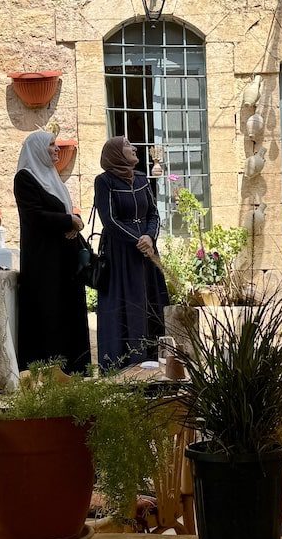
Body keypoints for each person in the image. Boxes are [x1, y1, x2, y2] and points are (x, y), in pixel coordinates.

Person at [13, 130, 90, 374]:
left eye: (56, 144)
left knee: (68, 312)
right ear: (37, 149)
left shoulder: (51, 176)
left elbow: (64, 213)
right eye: (51, 145)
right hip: (44, 261)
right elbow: (34, 216)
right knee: (48, 314)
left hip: (63, 259)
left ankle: (74, 370)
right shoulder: (25, 178)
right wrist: (69, 221)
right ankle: (47, 372)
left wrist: (73, 221)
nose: (57, 149)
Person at [94, 136, 168, 369]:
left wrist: (150, 237)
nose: (134, 147)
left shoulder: (141, 179)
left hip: (146, 253)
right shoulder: (104, 181)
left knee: (151, 302)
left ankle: (152, 361)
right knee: (126, 303)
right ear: (116, 153)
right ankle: (124, 364)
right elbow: (109, 220)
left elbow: (154, 214)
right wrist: (138, 239)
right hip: (121, 254)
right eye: (128, 145)